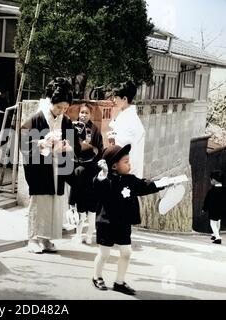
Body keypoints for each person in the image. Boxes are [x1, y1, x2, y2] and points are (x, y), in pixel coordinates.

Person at [92, 144, 168, 295]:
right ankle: (97, 276)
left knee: (126, 252)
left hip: (123, 223)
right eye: (126, 162)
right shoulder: (106, 179)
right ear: (114, 166)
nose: (129, 164)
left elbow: (145, 185)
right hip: (105, 223)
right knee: (104, 253)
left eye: (129, 161)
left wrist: (162, 183)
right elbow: (99, 187)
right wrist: (103, 174)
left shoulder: (131, 180)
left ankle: (119, 282)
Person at [21, 77, 80, 254]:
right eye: (58, 107)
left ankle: (46, 238)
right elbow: (24, 142)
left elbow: (74, 145)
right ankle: (32, 238)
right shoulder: (36, 119)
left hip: (58, 168)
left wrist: (66, 147)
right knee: (39, 202)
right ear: (50, 101)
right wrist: (41, 143)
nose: (61, 110)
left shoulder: (66, 121)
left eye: (65, 108)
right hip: (40, 167)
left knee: (54, 203)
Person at [69, 104, 103, 244]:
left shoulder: (94, 130)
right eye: (82, 112)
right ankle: (78, 235)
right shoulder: (72, 127)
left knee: (91, 209)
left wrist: (90, 148)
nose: (83, 115)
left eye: (86, 113)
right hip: (77, 167)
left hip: (91, 169)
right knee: (80, 207)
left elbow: (99, 150)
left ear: (90, 115)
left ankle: (89, 235)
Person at [108, 81, 145, 178]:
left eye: (116, 97)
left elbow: (120, 147)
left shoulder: (130, 119)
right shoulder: (126, 116)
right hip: (126, 169)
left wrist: (113, 139)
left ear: (124, 99)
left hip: (127, 171)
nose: (114, 100)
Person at [202, 170, 225, 245]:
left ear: (214, 180)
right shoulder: (224, 190)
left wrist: (204, 208)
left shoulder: (212, 191)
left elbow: (207, 201)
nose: (210, 181)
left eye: (211, 179)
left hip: (213, 210)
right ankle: (215, 234)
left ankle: (218, 238)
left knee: (212, 224)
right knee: (218, 221)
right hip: (222, 209)